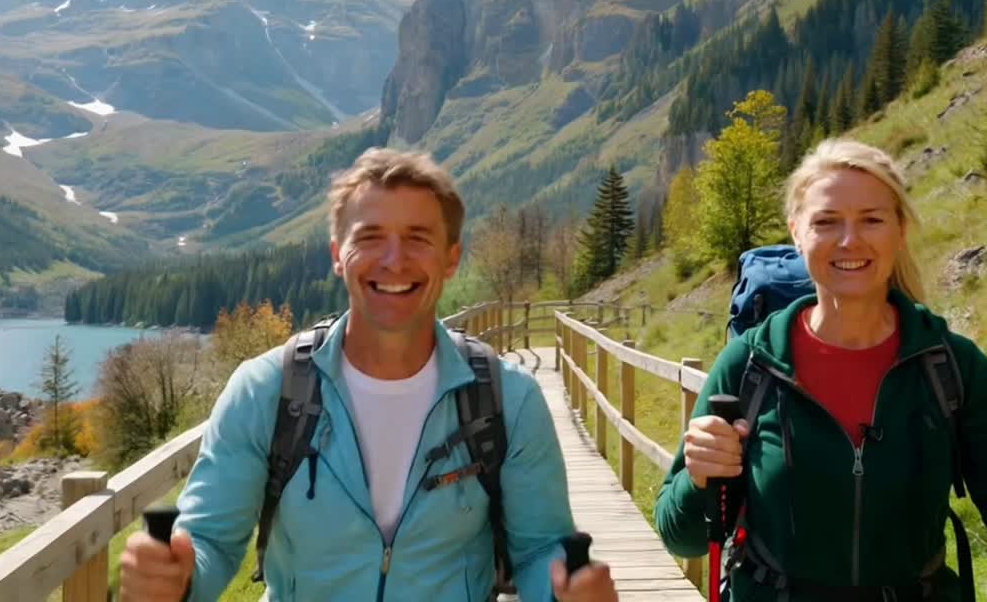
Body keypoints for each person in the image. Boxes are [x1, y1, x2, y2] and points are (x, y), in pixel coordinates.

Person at [654, 138, 987, 601]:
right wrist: (697, 479)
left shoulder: (953, 369)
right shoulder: (749, 366)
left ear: (900, 231)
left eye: (871, 219)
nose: (849, 241)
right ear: (797, 233)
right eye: (827, 221)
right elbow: (682, 535)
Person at [119, 148, 619, 602]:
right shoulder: (265, 391)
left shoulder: (510, 400)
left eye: (418, 238)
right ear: (338, 256)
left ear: (451, 259)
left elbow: (539, 551)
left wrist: (564, 589)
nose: (394, 260)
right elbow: (208, 540)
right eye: (371, 237)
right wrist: (177, 578)